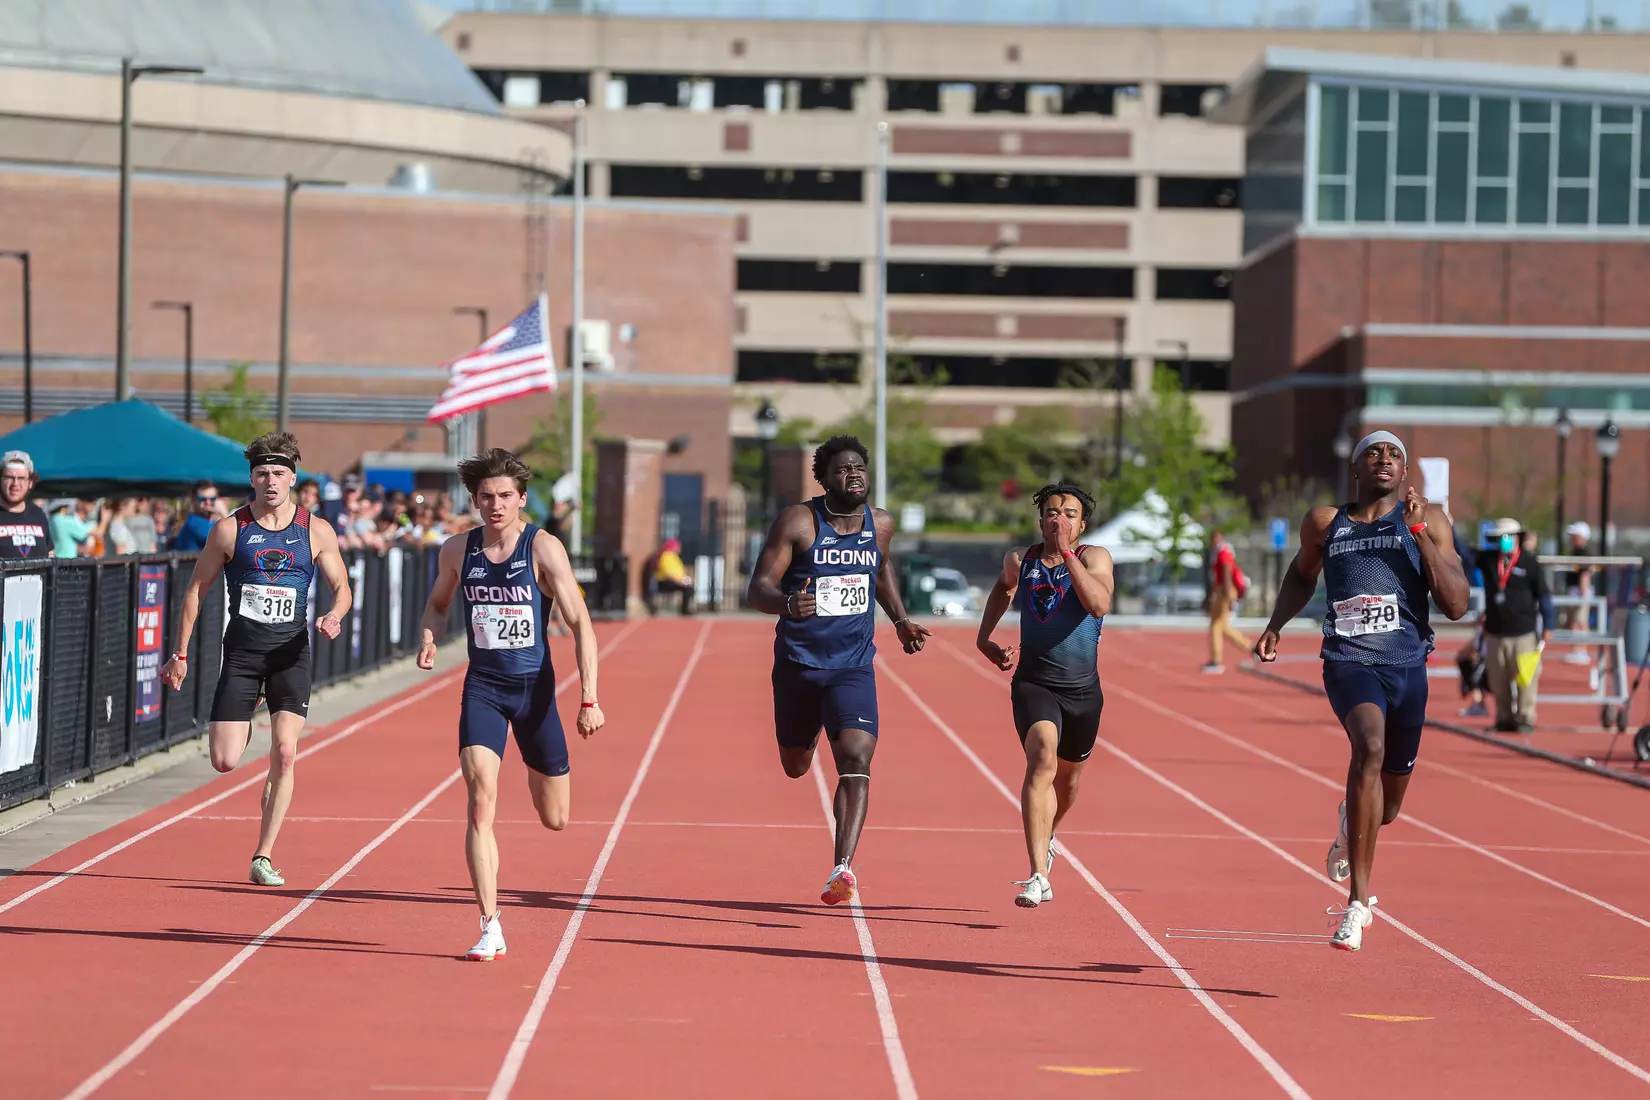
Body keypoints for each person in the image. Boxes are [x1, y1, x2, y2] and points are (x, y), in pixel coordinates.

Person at [1253, 430, 1469, 951]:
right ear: (1355, 468)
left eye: (1394, 454)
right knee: (1367, 745)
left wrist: (1418, 533)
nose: (1384, 459)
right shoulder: (1327, 523)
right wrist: (1276, 623)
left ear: (1404, 471)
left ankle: (1354, 820)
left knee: (1387, 807)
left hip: (1408, 665)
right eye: (1373, 452)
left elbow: (1457, 603)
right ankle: (1358, 902)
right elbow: (1302, 577)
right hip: (1348, 660)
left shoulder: (1429, 520)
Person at [416, 448, 604, 962]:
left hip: (535, 693)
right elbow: (437, 601)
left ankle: (532, 762)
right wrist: (430, 635)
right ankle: (490, 923)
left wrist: (589, 697)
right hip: (484, 688)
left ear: (521, 499)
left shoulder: (543, 549)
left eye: (504, 496)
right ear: (474, 501)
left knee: (556, 818)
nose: (495, 505)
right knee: (480, 801)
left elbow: (581, 622)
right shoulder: (457, 550)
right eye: (485, 497)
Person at [161, 433, 351, 887]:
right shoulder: (230, 529)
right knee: (224, 761)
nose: (271, 481)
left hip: (290, 654)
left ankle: (262, 856)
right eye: (263, 473)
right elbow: (195, 590)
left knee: (285, 753)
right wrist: (179, 653)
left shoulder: (315, 530)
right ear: (252, 477)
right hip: (243, 656)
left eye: (279, 473)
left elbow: (342, 587)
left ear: (292, 478)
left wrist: (334, 614)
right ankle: (252, 706)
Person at [747, 435, 930, 905]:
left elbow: (880, 568)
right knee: (796, 765)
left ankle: (842, 867)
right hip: (799, 665)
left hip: (853, 664)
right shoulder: (799, 522)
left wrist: (901, 619)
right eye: (843, 469)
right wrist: (788, 603)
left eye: (859, 468)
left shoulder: (881, 524)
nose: (854, 475)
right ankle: (805, 737)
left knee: (856, 756)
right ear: (824, 479)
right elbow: (758, 588)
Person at [975, 482, 1114, 908]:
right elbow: (1003, 587)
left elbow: (1098, 604)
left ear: (1081, 524)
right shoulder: (1022, 559)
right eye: (1053, 512)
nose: (1060, 518)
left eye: (1070, 513)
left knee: (1068, 781)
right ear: (1040, 520)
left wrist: (1067, 553)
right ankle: (1038, 873)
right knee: (1042, 758)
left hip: (1083, 691)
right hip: (1035, 681)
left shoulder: (1095, 557)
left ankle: (1047, 832)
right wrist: (985, 639)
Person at [1475, 518, 1554, 734]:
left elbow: (1544, 595)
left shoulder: (1530, 563)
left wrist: (1549, 623)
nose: (1504, 541)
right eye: (1500, 538)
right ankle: (1504, 718)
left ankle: (1526, 718)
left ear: (1517, 538)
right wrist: (1450, 528)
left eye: (1508, 537)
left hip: (1524, 633)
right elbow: (1463, 554)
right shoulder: (1489, 560)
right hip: (1495, 633)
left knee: (1526, 679)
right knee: (1498, 679)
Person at [1203, 529, 1250, 674]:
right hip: (1221, 590)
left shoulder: (1224, 552)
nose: (1214, 541)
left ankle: (1216, 661)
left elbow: (1227, 573)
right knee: (1222, 626)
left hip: (1225, 590)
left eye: (1216, 538)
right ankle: (1250, 647)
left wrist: (1229, 595)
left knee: (1216, 625)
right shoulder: (1217, 553)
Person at [0, 451, 51, 560]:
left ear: (31, 482)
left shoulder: (38, 514)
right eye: (9, 477)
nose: (15, 484)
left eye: (21, 478)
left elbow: (50, 553)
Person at [170, 481, 220, 551]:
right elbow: (225, 543)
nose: (208, 502)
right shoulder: (193, 522)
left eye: (212, 499)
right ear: (193, 499)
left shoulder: (213, 522)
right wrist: (223, 513)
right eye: (202, 499)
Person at [652, 537, 694, 615]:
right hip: (665, 581)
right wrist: (681, 582)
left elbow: (681, 573)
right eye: (677, 546)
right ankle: (685, 610)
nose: (679, 549)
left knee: (690, 587)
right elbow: (669, 574)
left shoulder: (676, 558)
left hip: (677, 581)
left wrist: (688, 580)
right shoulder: (666, 556)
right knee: (687, 588)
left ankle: (686, 608)